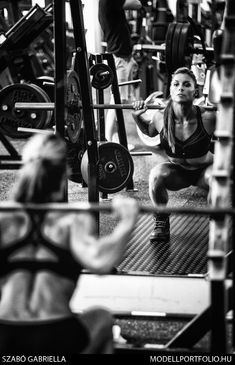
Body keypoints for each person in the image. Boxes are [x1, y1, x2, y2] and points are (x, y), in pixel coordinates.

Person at [0, 133, 139, 354]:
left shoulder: (4, 218)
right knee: (101, 318)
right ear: (64, 173)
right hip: (56, 334)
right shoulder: (71, 220)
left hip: (5, 334)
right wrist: (128, 221)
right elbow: (100, 262)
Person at [132, 67, 216, 243]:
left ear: (196, 91)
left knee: (219, 181)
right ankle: (161, 221)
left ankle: (218, 223)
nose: (180, 88)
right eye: (176, 84)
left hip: (205, 171)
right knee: (156, 176)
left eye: (187, 85)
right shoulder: (160, 118)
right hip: (178, 172)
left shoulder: (209, 117)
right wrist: (136, 116)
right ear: (170, 89)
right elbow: (149, 131)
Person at [98, 0, 142, 142]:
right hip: (119, 59)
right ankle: (108, 140)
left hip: (122, 58)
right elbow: (137, 4)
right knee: (117, 100)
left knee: (119, 100)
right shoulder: (108, 1)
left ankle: (113, 139)